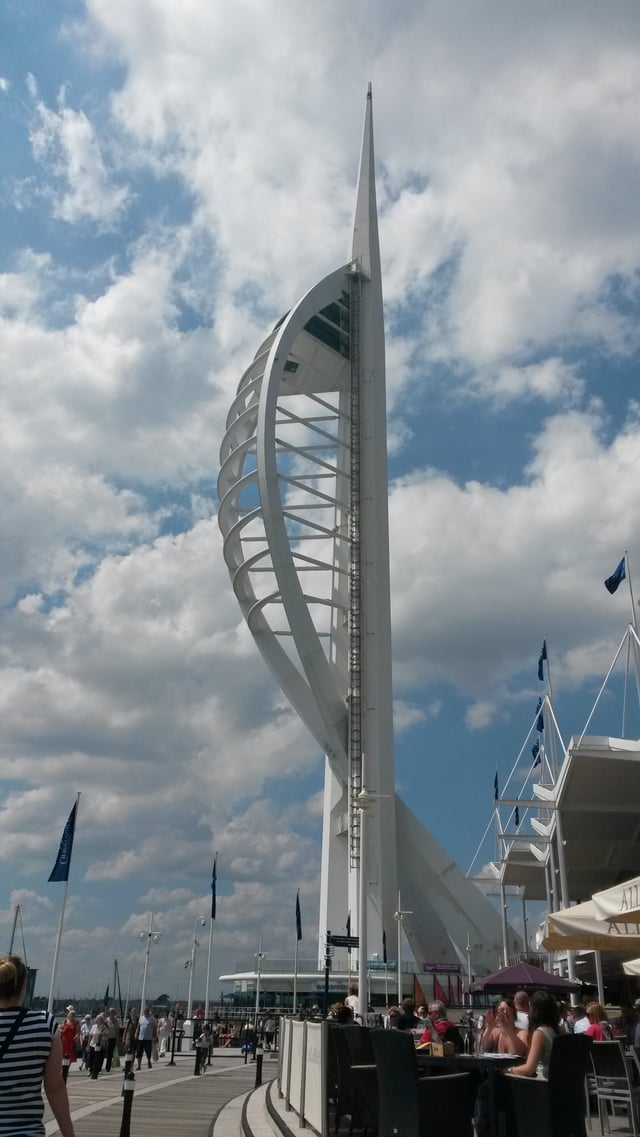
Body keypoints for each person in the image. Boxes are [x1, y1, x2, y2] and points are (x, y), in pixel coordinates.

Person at [0, 954, 76, 1137]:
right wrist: (68, 1134)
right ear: (24, 987)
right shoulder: (44, 1023)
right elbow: (54, 1086)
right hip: (25, 1132)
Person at [507, 990, 560, 1078]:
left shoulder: (540, 1033)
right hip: (559, 1080)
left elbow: (529, 1069)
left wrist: (508, 1069)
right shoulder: (557, 1029)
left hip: (545, 1084)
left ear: (535, 1010)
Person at [59, 1009, 80, 1081]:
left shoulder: (76, 1023)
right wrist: (63, 1030)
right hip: (64, 1040)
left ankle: (66, 1069)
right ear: (69, 1015)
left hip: (71, 1041)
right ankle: (63, 1069)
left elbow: (78, 1032)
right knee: (63, 1056)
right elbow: (60, 1030)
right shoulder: (65, 1021)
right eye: (71, 1014)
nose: (72, 1016)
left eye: (73, 1015)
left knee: (70, 1056)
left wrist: (76, 1037)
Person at [88, 1013, 106, 1079]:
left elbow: (106, 1036)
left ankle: (95, 1071)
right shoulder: (94, 1026)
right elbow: (90, 1036)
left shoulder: (103, 1027)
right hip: (92, 1044)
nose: (99, 1021)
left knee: (97, 1059)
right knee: (91, 1058)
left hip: (99, 1046)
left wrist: (103, 1036)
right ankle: (90, 1070)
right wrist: (88, 1044)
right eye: (98, 1019)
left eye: (101, 1020)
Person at [104, 1008, 119, 1072]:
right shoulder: (106, 1020)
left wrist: (117, 1040)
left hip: (113, 1038)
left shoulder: (116, 1021)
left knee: (110, 1054)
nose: (112, 1013)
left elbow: (117, 1031)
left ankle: (108, 1067)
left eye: (113, 1012)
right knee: (104, 1053)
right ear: (109, 1013)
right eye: (111, 1012)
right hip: (106, 1038)